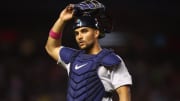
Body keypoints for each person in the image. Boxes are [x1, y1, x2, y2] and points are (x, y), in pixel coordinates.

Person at [45, 4, 132, 101]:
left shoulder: (109, 60)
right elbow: (51, 47)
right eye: (77, 33)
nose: (79, 36)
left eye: (84, 31)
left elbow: (124, 94)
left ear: (96, 33)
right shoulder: (73, 58)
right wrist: (61, 20)